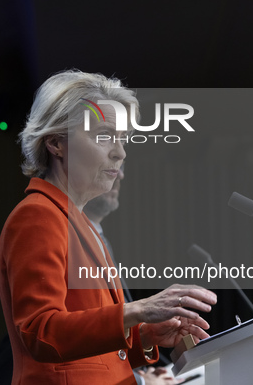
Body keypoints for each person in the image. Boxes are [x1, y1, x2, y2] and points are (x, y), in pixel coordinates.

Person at [0, 70, 216, 384]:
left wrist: (147, 335)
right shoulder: (37, 216)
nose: (120, 152)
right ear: (56, 142)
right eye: (104, 136)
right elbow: (41, 333)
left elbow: (93, 353)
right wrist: (138, 310)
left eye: (122, 140)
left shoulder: (80, 224)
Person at [84, 165, 182, 385]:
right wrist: (141, 381)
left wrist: (145, 337)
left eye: (122, 167)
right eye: (109, 166)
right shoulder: (60, 232)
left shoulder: (101, 241)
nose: (120, 175)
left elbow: (104, 338)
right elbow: (66, 337)